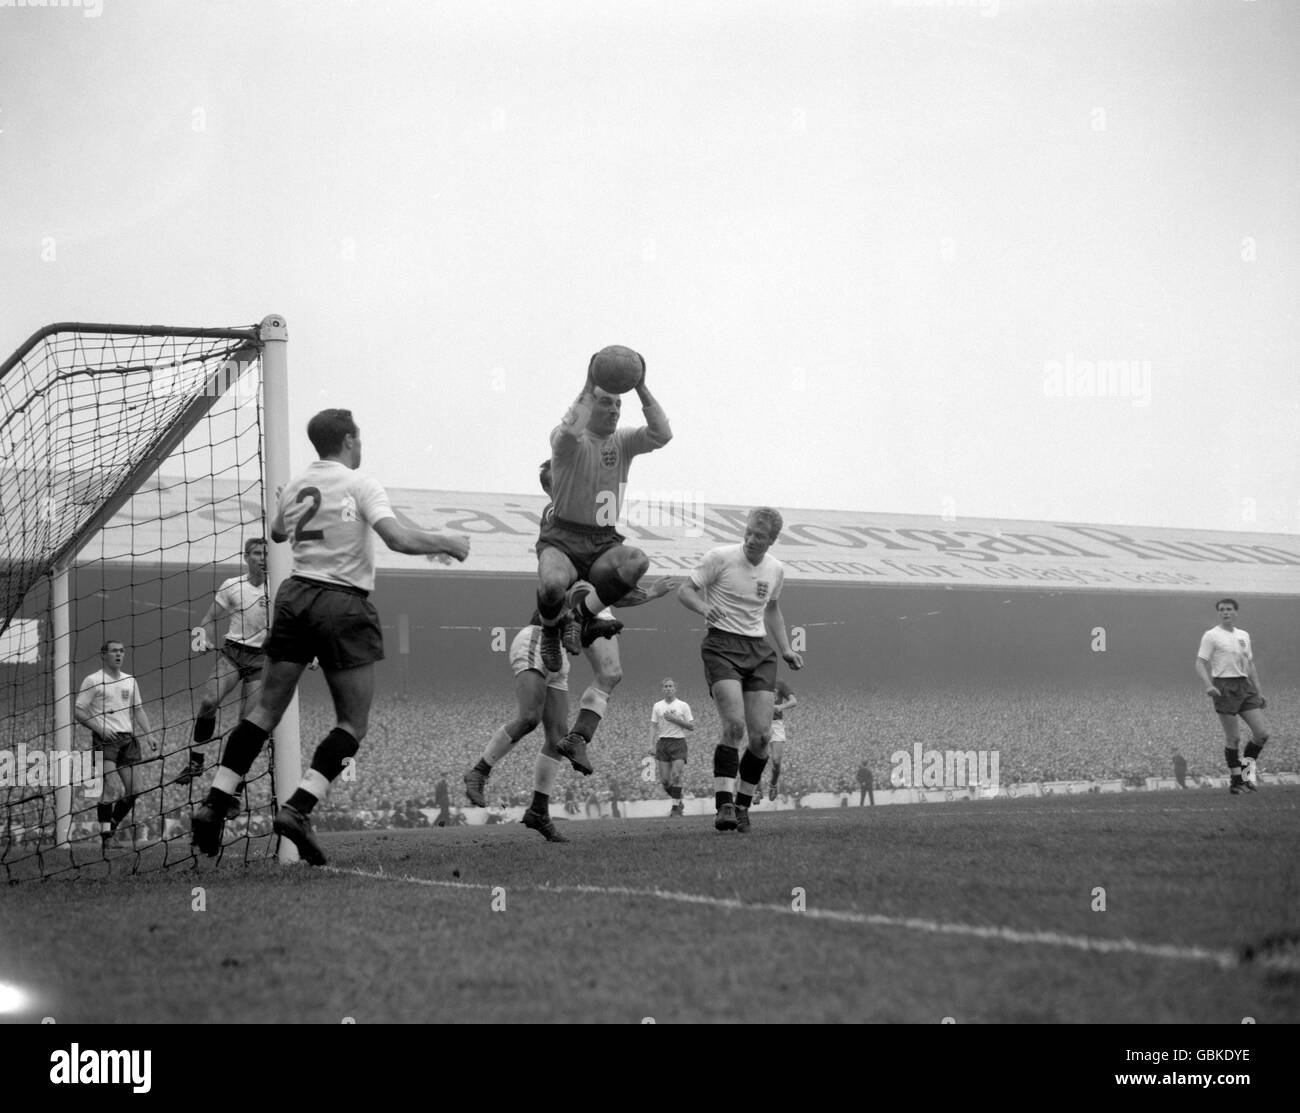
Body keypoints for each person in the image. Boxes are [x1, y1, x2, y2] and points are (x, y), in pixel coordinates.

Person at [190, 408, 470, 864]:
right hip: (342, 602)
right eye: (359, 438)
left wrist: (287, 503)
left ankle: (216, 800)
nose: (362, 445)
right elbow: (396, 539)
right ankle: (299, 808)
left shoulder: (299, 484)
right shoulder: (361, 484)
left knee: (265, 710)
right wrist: (447, 543)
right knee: (352, 722)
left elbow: (278, 533)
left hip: (294, 596)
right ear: (348, 439)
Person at [533, 348, 672, 720]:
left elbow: (663, 434)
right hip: (563, 536)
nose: (613, 411)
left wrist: (641, 386)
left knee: (637, 562)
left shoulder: (622, 442)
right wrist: (589, 382)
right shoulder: (568, 441)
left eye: (618, 407)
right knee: (550, 586)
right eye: (606, 404)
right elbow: (568, 429)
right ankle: (550, 632)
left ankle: (578, 616)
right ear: (591, 405)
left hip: (602, 540)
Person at [677, 506, 803, 833]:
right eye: (748, 532)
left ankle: (744, 805)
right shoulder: (720, 557)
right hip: (721, 647)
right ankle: (725, 806)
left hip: (759, 651)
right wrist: (705, 607)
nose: (751, 539)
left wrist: (786, 648)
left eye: (760, 536)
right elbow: (684, 591)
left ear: (772, 540)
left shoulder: (775, 569)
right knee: (734, 727)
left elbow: (772, 610)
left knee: (761, 737)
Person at [461, 603, 579, 842]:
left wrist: (649, 594)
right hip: (538, 639)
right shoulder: (572, 575)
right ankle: (478, 772)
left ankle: (538, 811)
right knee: (529, 719)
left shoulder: (601, 587)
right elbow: (553, 597)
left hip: (559, 652)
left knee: (558, 738)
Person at [177, 537, 271, 819]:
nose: (262, 558)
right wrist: (201, 635)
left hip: (262, 659)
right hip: (233, 652)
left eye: (266, 554)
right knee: (209, 700)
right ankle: (196, 762)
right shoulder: (232, 585)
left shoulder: (277, 588)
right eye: (257, 553)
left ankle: (235, 791)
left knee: (247, 726)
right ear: (246, 557)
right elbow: (206, 620)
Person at [74, 640, 156, 848]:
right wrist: (100, 729)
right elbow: (79, 710)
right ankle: (107, 838)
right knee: (110, 786)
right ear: (103, 655)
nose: (119, 654)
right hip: (105, 740)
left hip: (128, 739)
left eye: (122, 651)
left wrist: (149, 734)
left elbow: (138, 710)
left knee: (135, 789)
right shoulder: (93, 680)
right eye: (114, 651)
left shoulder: (130, 681)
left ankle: (110, 826)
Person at [1195, 597, 1271, 795]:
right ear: (1218, 613)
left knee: (1262, 734)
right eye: (1221, 609)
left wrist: (1259, 691)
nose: (1225, 612)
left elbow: (1250, 664)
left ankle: (1246, 777)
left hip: (1244, 685)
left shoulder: (1244, 635)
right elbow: (1199, 662)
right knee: (1234, 738)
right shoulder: (1211, 635)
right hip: (1224, 686)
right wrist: (1208, 685)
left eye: (1229, 609)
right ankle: (1236, 782)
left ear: (1235, 612)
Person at [649, 677, 694, 816]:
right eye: (666, 686)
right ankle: (678, 800)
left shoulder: (683, 705)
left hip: (678, 742)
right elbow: (653, 725)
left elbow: (691, 726)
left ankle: (675, 808)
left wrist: (675, 720)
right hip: (663, 743)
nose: (668, 688)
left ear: (675, 688)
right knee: (665, 781)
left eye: (671, 686)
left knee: (676, 775)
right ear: (663, 689)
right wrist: (650, 744)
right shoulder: (657, 706)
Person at [763, 677, 797, 801]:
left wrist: (781, 707)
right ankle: (756, 790)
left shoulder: (780, 683)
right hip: (759, 723)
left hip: (776, 724)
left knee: (776, 761)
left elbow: (794, 701)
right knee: (758, 758)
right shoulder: (754, 681)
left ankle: (773, 785)